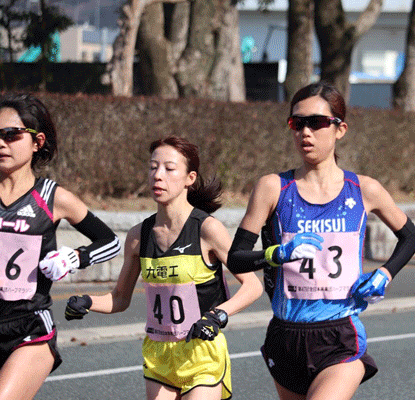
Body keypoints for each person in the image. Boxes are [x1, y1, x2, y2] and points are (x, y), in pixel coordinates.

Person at [226, 82, 415, 400]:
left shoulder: (364, 189)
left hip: (339, 332)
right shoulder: (273, 188)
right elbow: (236, 258)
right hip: (285, 334)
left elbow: (410, 236)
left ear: (340, 129)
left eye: (316, 123)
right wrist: (277, 253)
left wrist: (385, 274)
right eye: (296, 122)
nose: (305, 132)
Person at [65, 136, 263, 400]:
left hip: (201, 354)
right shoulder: (138, 236)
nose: (158, 176)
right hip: (159, 355)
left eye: (169, 169)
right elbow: (120, 298)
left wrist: (218, 316)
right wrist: (86, 301)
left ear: (189, 178)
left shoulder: (207, 229)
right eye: (152, 167)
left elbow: (252, 286)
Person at [0, 93, 121, 400]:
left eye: (11, 135)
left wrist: (74, 258)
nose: (2, 143)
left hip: (27, 327)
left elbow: (110, 242)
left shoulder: (53, 197)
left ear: (37, 142)